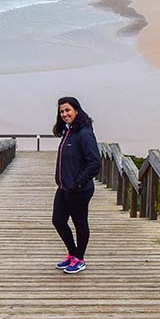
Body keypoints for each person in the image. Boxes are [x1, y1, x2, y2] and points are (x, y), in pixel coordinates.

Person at [51, 96, 100, 273]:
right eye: (62, 111)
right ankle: (72, 254)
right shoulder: (69, 131)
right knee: (58, 220)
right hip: (64, 187)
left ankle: (80, 258)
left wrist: (78, 183)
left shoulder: (84, 133)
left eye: (68, 110)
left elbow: (95, 163)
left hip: (79, 190)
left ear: (76, 110)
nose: (64, 114)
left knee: (80, 223)